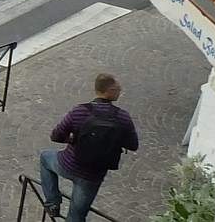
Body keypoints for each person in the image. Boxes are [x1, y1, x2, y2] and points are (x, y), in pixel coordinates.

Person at [41, 73, 140, 222]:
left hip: (68, 164)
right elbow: (133, 145)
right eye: (118, 89)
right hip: (92, 176)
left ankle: (52, 202)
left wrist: (72, 139)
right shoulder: (123, 117)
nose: (120, 92)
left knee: (45, 157)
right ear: (110, 90)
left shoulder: (80, 111)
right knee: (77, 216)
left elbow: (55, 135)